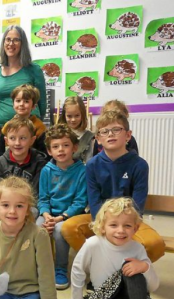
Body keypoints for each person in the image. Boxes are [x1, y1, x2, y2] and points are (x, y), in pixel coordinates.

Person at [61, 111, 165, 263]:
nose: (110, 134)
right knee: (68, 228)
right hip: (101, 220)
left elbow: (138, 203)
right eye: (104, 131)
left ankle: (125, 268)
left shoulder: (139, 165)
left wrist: (122, 227)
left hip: (129, 220)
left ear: (128, 136)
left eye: (116, 130)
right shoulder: (92, 165)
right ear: (98, 139)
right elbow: (94, 200)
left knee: (155, 245)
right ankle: (98, 263)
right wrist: (103, 227)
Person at [0, 176, 56, 299]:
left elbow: (46, 275)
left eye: (19, 206)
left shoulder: (39, 235)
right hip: (0, 293)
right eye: (5, 205)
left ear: (28, 209)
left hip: (30, 292)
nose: (12, 211)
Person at [71, 197, 159, 299]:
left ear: (135, 228)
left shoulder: (137, 248)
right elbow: (77, 270)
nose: (121, 230)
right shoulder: (93, 244)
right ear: (103, 227)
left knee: (132, 269)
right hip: (102, 295)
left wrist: (144, 267)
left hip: (129, 296)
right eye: (113, 225)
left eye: (127, 225)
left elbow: (153, 287)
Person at [36, 124, 87, 290]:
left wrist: (61, 217)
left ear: (74, 147)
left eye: (66, 145)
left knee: (59, 230)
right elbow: (42, 198)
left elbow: (80, 202)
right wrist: (45, 215)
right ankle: (41, 267)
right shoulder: (46, 171)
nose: (61, 150)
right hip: (49, 215)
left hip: (69, 216)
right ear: (49, 151)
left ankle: (60, 268)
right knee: (36, 228)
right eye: (56, 147)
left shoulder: (82, 171)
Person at [0, 25, 46, 156]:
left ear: (23, 43)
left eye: (16, 40)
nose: (11, 43)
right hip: (3, 131)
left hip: (29, 131)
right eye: (8, 39)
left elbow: (42, 102)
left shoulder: (33, 70)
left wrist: (32, 124)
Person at [0, 118, 48, 201]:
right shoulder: (0, 163)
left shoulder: (40, 164)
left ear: (32, 140)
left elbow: (37, 194)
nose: (17, 143)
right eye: (12, 138)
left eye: (23, 138)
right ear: (6, 141)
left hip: (29, 206)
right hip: (4, 204)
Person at [11, 84, 47, 155]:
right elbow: (1, 151)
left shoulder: (40, 127)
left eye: (26, 101)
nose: (21, 104)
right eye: (18, 101)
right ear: (13, 104)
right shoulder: (8, 125)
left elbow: (44, 153)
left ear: (33, 106)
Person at [57, 96, 95, 164]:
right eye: (69, 116)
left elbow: (89, 161)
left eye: (77, 115)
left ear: (82, 115)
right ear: (64, 115)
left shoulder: (88, 136)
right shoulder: (57, 133)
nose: (73, 120)